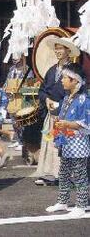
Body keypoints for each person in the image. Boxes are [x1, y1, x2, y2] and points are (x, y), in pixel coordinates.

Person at [45, 63, 90, 218]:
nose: (62, 80)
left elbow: (86, 123)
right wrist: (59, 121)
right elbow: (65, 119)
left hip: (78, 143)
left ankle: (82, 205)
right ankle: (62, 201)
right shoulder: (66, 98)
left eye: (65, 78)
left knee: (79, 174)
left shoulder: (84, 99)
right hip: (66, 141)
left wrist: (67, 124)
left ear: (75, 81)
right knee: (63, 172)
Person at [35, 37, 80, 186]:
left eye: (61, 48)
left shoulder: (74, 70)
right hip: (52, 114)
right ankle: (52, 173)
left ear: (68, 51)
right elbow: (42, 90)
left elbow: (77, 91)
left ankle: (70, 176)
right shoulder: (51, 70)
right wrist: (46, 99)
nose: (58, 51)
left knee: (65, 144)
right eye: (56, 48)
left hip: (67, 114)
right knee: (50, 144)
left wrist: (62, 105)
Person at [4, 54, 35, 152]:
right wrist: (5, 88)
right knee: (14, 121)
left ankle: (23, 142)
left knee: (21, 122)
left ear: (22, 57)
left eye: (16, 56)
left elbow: (30, 87)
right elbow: (6, 82)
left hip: (23, 99)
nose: (14, 59)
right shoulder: (11, 69)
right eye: (13, 56)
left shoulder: (27, 70)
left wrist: (17, 90)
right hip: (12, 99)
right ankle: (18, 139)